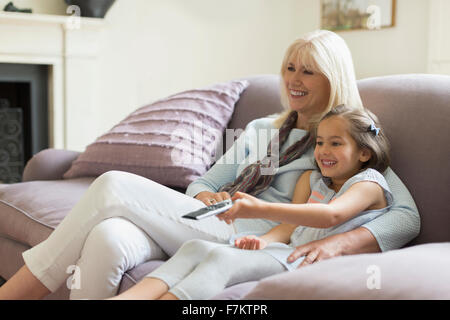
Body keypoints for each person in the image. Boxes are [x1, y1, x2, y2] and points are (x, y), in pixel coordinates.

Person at [0, 30, 419, 300]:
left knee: (111, 186)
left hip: (252, 235)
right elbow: (202, 182)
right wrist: (206, 196)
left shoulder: (344, 142)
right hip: (210, 219)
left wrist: (341, 242)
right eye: (290, 68)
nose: (294, 79)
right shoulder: (261, 129)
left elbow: (405, 215)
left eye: (308, 72)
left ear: (333, 77)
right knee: (107, 237)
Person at [110, 104, 394, 300]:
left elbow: (330, 215)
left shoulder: (368, 184)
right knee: (194, 247)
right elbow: (288, 226)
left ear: (364, 153)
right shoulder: (311, 180)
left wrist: (257, 208)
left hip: (310, 261)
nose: (323, 151)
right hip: (286, 251)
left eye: (336, 143)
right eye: (320, 143)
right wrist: (264, 241)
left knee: (222, 258)